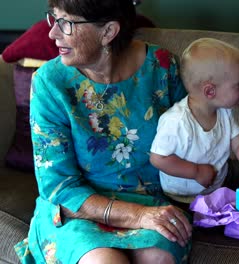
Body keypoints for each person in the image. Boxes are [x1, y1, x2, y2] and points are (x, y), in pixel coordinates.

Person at [14, 0, 192, 263]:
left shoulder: (162, 68)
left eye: (67, 23)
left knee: (158, 256)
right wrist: (138, 216)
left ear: (108, 32)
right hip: (78, 211)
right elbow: (59, 187)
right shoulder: (50, 82)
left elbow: (194, 139)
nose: (52, 33)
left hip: (152, 203)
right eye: (54, 18)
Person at [150, 38, 239, 204]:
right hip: (185, 196)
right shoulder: (176, 122)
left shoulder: (223, 111)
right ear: (210, 91)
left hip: (220, 177)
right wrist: (195, 171)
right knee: (198, 222)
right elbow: (158, 159)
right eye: (238, 85)